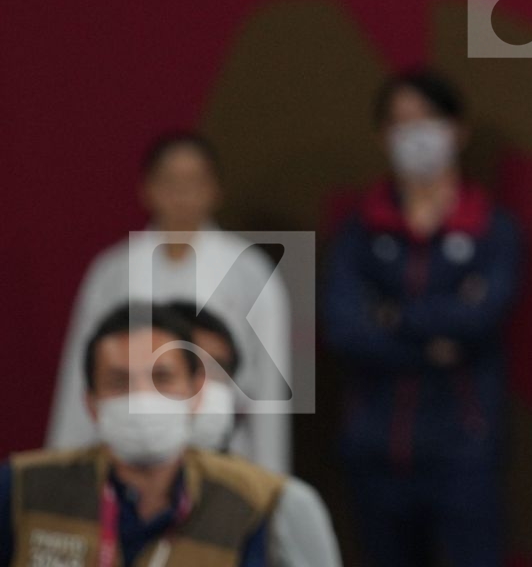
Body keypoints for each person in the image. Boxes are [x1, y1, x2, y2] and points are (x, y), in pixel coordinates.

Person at [321, 69, 523, 567]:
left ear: (458, 130)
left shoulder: (493, 229)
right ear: (382, 136)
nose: (414, 135)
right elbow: (344, 327)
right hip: (374, 451)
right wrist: (434, 336)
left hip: (464, 452)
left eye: (426, 120)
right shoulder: (359, 229)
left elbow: (479, 320)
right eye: (399, 123)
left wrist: (389, 316)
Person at [47, 131, 292, 474]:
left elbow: (269, 388)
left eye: (194, 181)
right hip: (129, 443)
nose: (182, 194)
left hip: (220, 449)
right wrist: (66, 460)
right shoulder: (113, 271)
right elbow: (81, 372)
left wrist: (271, 477)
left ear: (216, 189)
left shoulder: (250, 272)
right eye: (170, 182)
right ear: (146, 190)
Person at [4, 303, 281, 565]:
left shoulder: (245, 507)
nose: (141, 399)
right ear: (91, 403)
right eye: (119, 382)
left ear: (197, 392)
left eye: (162, 378)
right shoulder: (23, 488)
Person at [163, 301, 345, 567]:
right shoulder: (90, 490)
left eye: (218, 371)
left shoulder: (281, 503)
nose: (203, 387)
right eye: (190, 368)